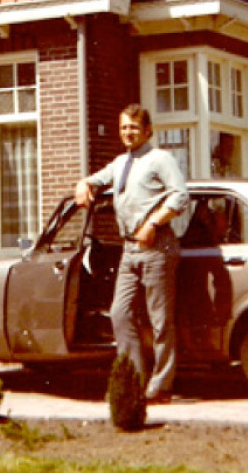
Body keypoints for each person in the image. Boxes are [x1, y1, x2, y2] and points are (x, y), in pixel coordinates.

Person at [75, 103, 188, 404]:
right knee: (120, 314)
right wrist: (82, 183)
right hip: (129, 249)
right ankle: (134, 380)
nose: (128, 132)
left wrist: (153, 223)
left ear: (148, 130)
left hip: (157, 246)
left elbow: (180, 195)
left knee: (160, 320)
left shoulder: (160, 159)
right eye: (124, 127)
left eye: (134, 128)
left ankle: (161, 386)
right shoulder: (119, 164)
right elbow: (95, 180)